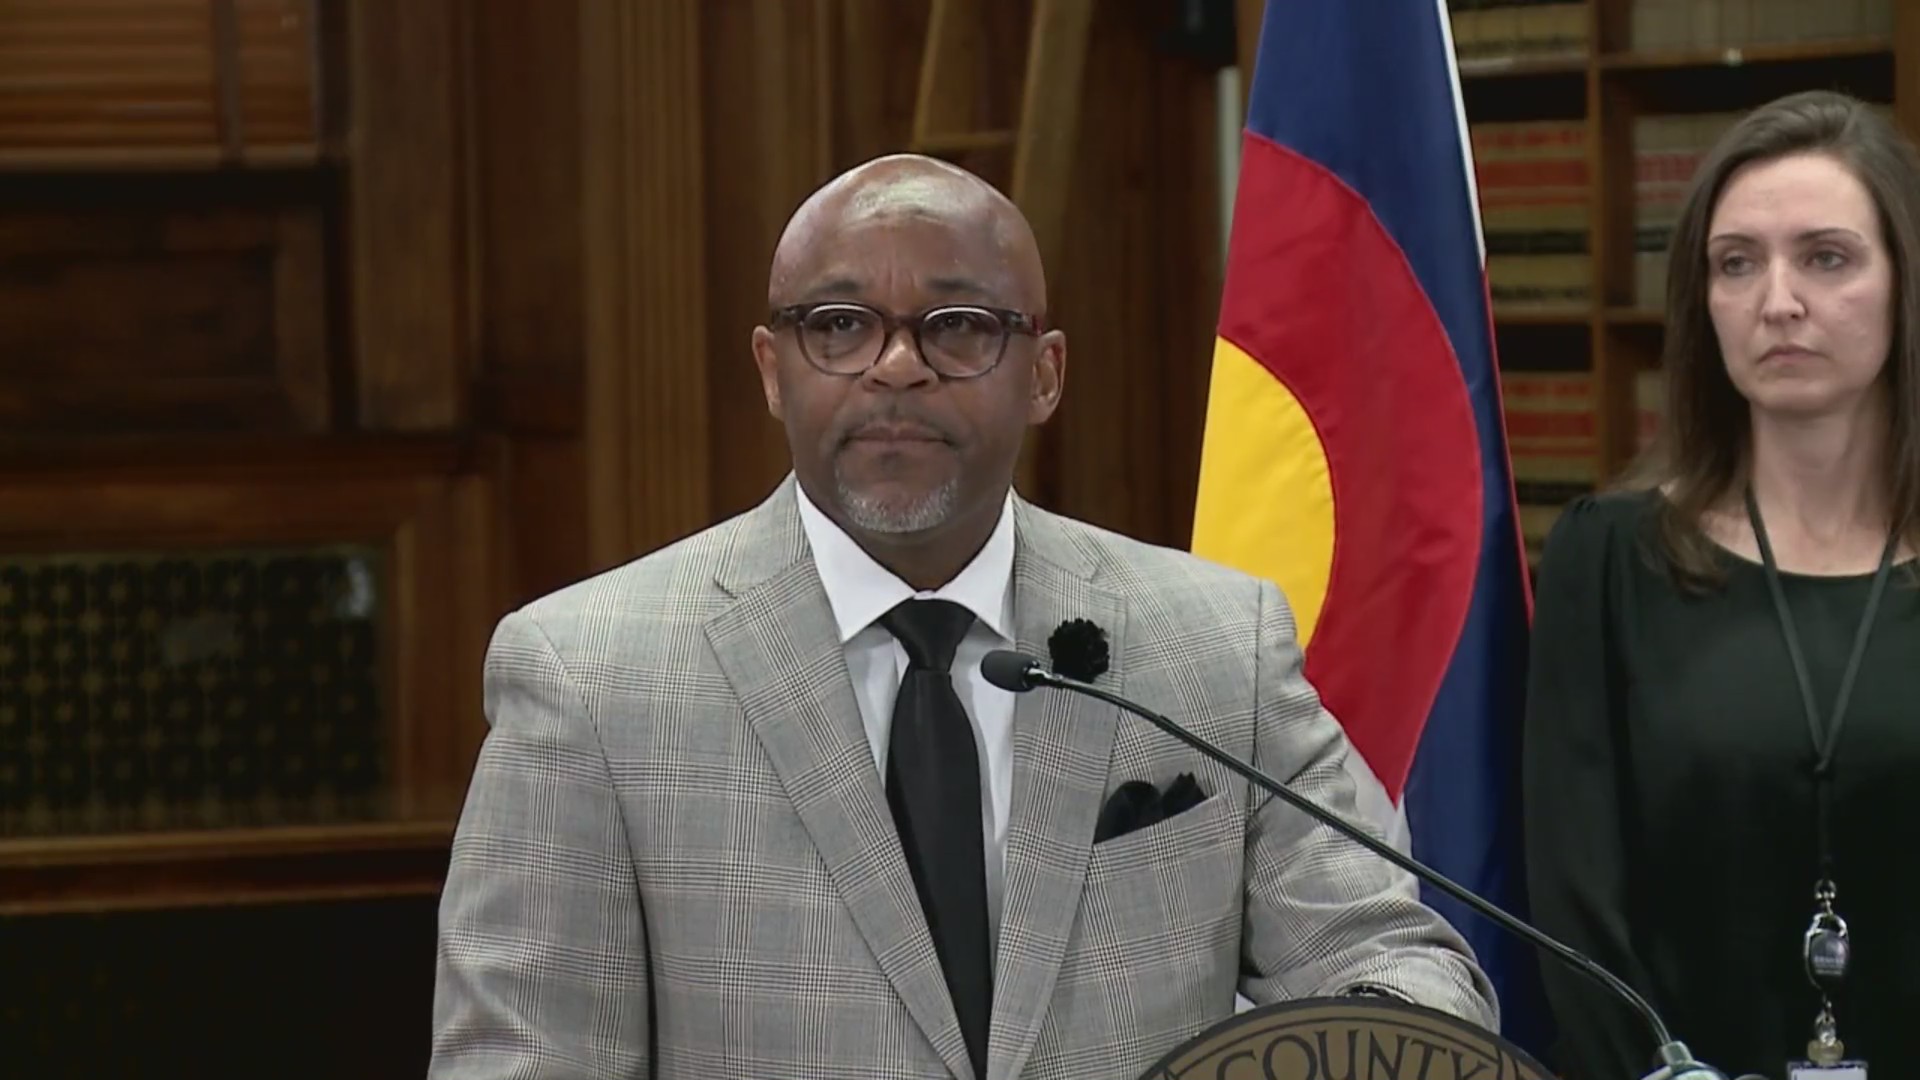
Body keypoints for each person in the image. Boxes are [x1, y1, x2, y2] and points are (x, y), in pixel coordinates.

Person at [428, 152, 1496, 1079]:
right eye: (839, 326)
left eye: (959, 326)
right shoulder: (590, 678)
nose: (898, 367)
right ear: (772, 370)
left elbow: (1397, 965)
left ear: (1044, 374)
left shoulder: (1214, 645)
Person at [1524, 90, 1920, 1080]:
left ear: (1905, 282)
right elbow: (1574, 906)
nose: (1777, 300)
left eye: (1826, 258)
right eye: (1736, 263)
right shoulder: (1608, 559)